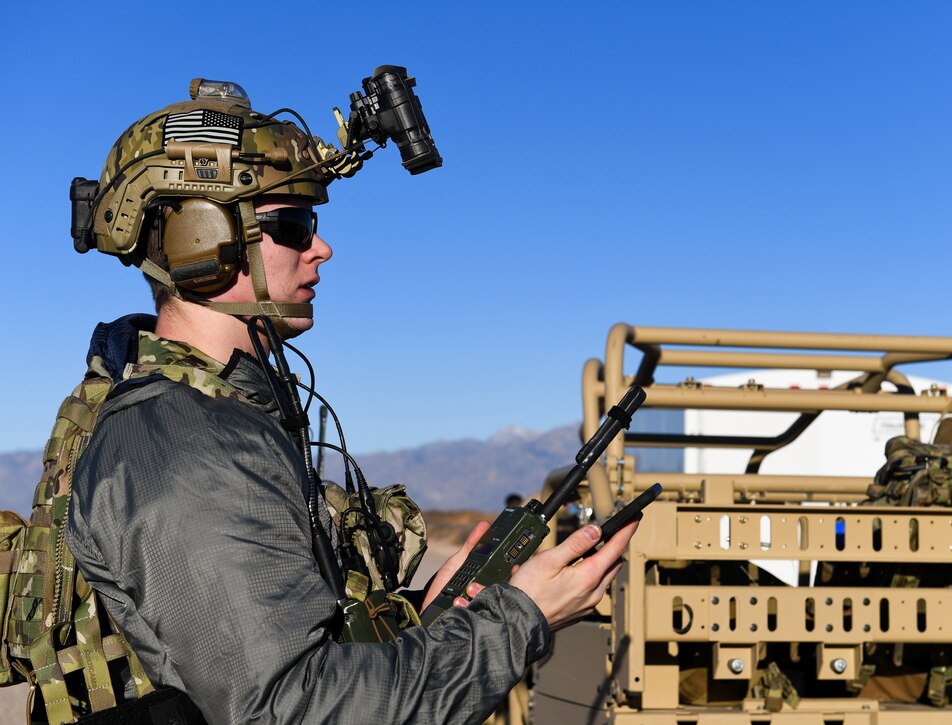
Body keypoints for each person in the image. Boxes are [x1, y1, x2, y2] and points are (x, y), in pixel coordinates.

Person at [48, 77, 638, 723]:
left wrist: (427, 616)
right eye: (294, 226)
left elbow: (291, 650)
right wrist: (521, 618)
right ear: (202, 239)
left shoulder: (217, 415)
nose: (321, 248)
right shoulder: (190, 447)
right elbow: (292, 706)